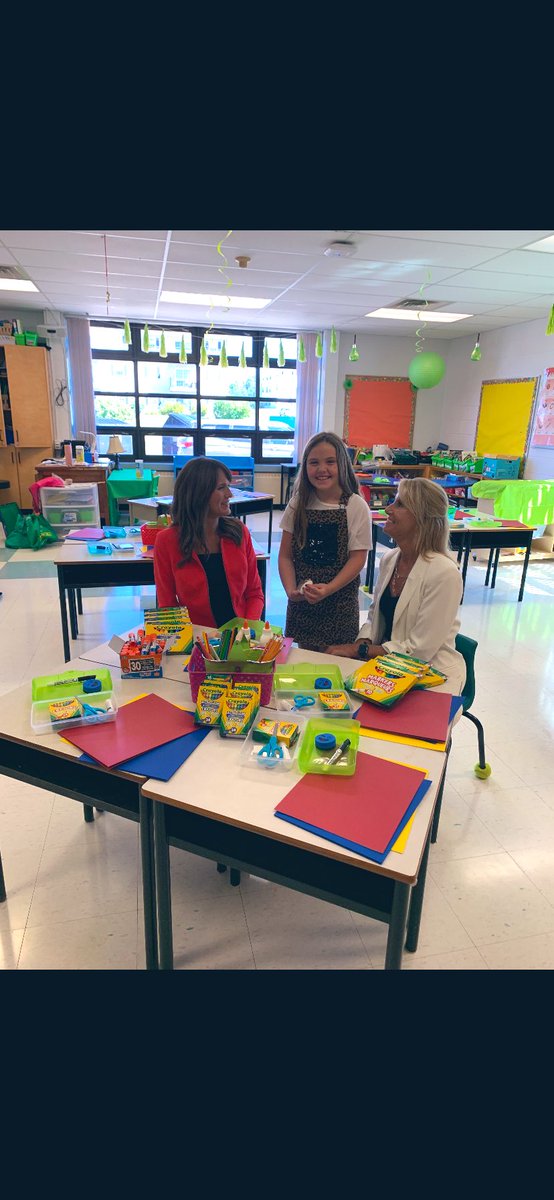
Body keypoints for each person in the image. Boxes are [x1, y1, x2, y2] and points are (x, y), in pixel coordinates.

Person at [326, 476, 466, 694]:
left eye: (399, 504)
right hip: (389, 668)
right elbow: (375, 617)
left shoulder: (444, 573)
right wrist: (363, 642)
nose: (388, 509)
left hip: (432, 675)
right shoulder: (390, 559)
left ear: (422, 518)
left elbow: (419, 651)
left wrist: (360, 650)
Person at [278, 431, 371, 651]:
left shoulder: (355, 506)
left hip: (339, 605)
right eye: (314, 463)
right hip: (303, 606)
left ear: (342, 464)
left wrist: (329, 588)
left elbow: (358, 559)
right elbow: (285, 556)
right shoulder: (297, 504)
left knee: (336, 661)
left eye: (330, 462)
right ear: (305, 467)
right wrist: (290, 589)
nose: (322, 469)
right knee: (305, 659)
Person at [153, 457, 264, 626]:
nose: (229, 494)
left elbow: (254, 593)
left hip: (241, 633)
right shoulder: (166, 541)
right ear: (198, 494)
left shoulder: (239, 532)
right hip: (196, 635)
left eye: (228, 486)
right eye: (221, 488)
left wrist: (246, 629)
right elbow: (167, 605)